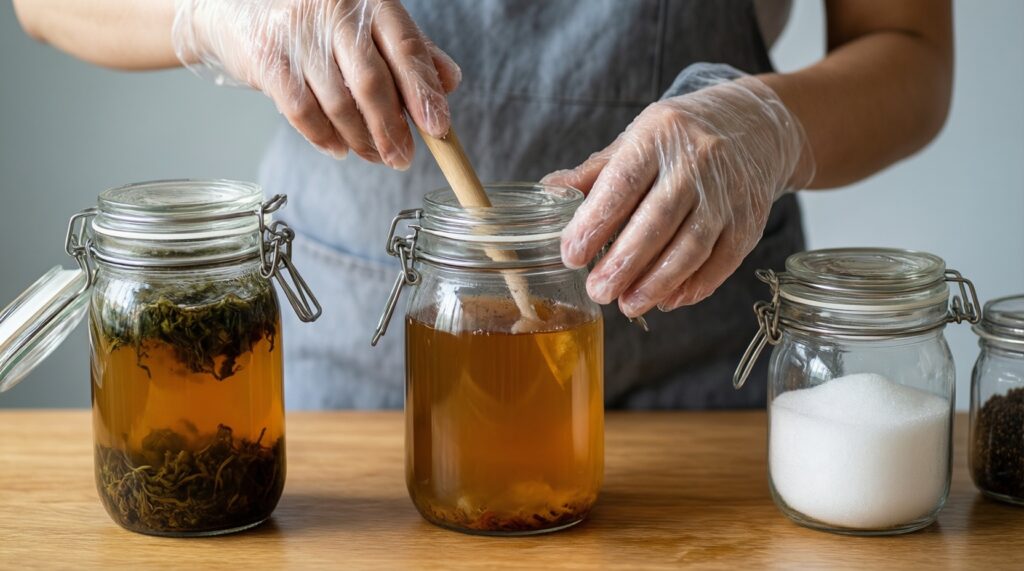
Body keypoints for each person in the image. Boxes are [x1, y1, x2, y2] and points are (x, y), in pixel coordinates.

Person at [13, 0, 953, 409]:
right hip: (361, 369)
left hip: (707, 372)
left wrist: (766, 123)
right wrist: (221, 13)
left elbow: (908, 45)